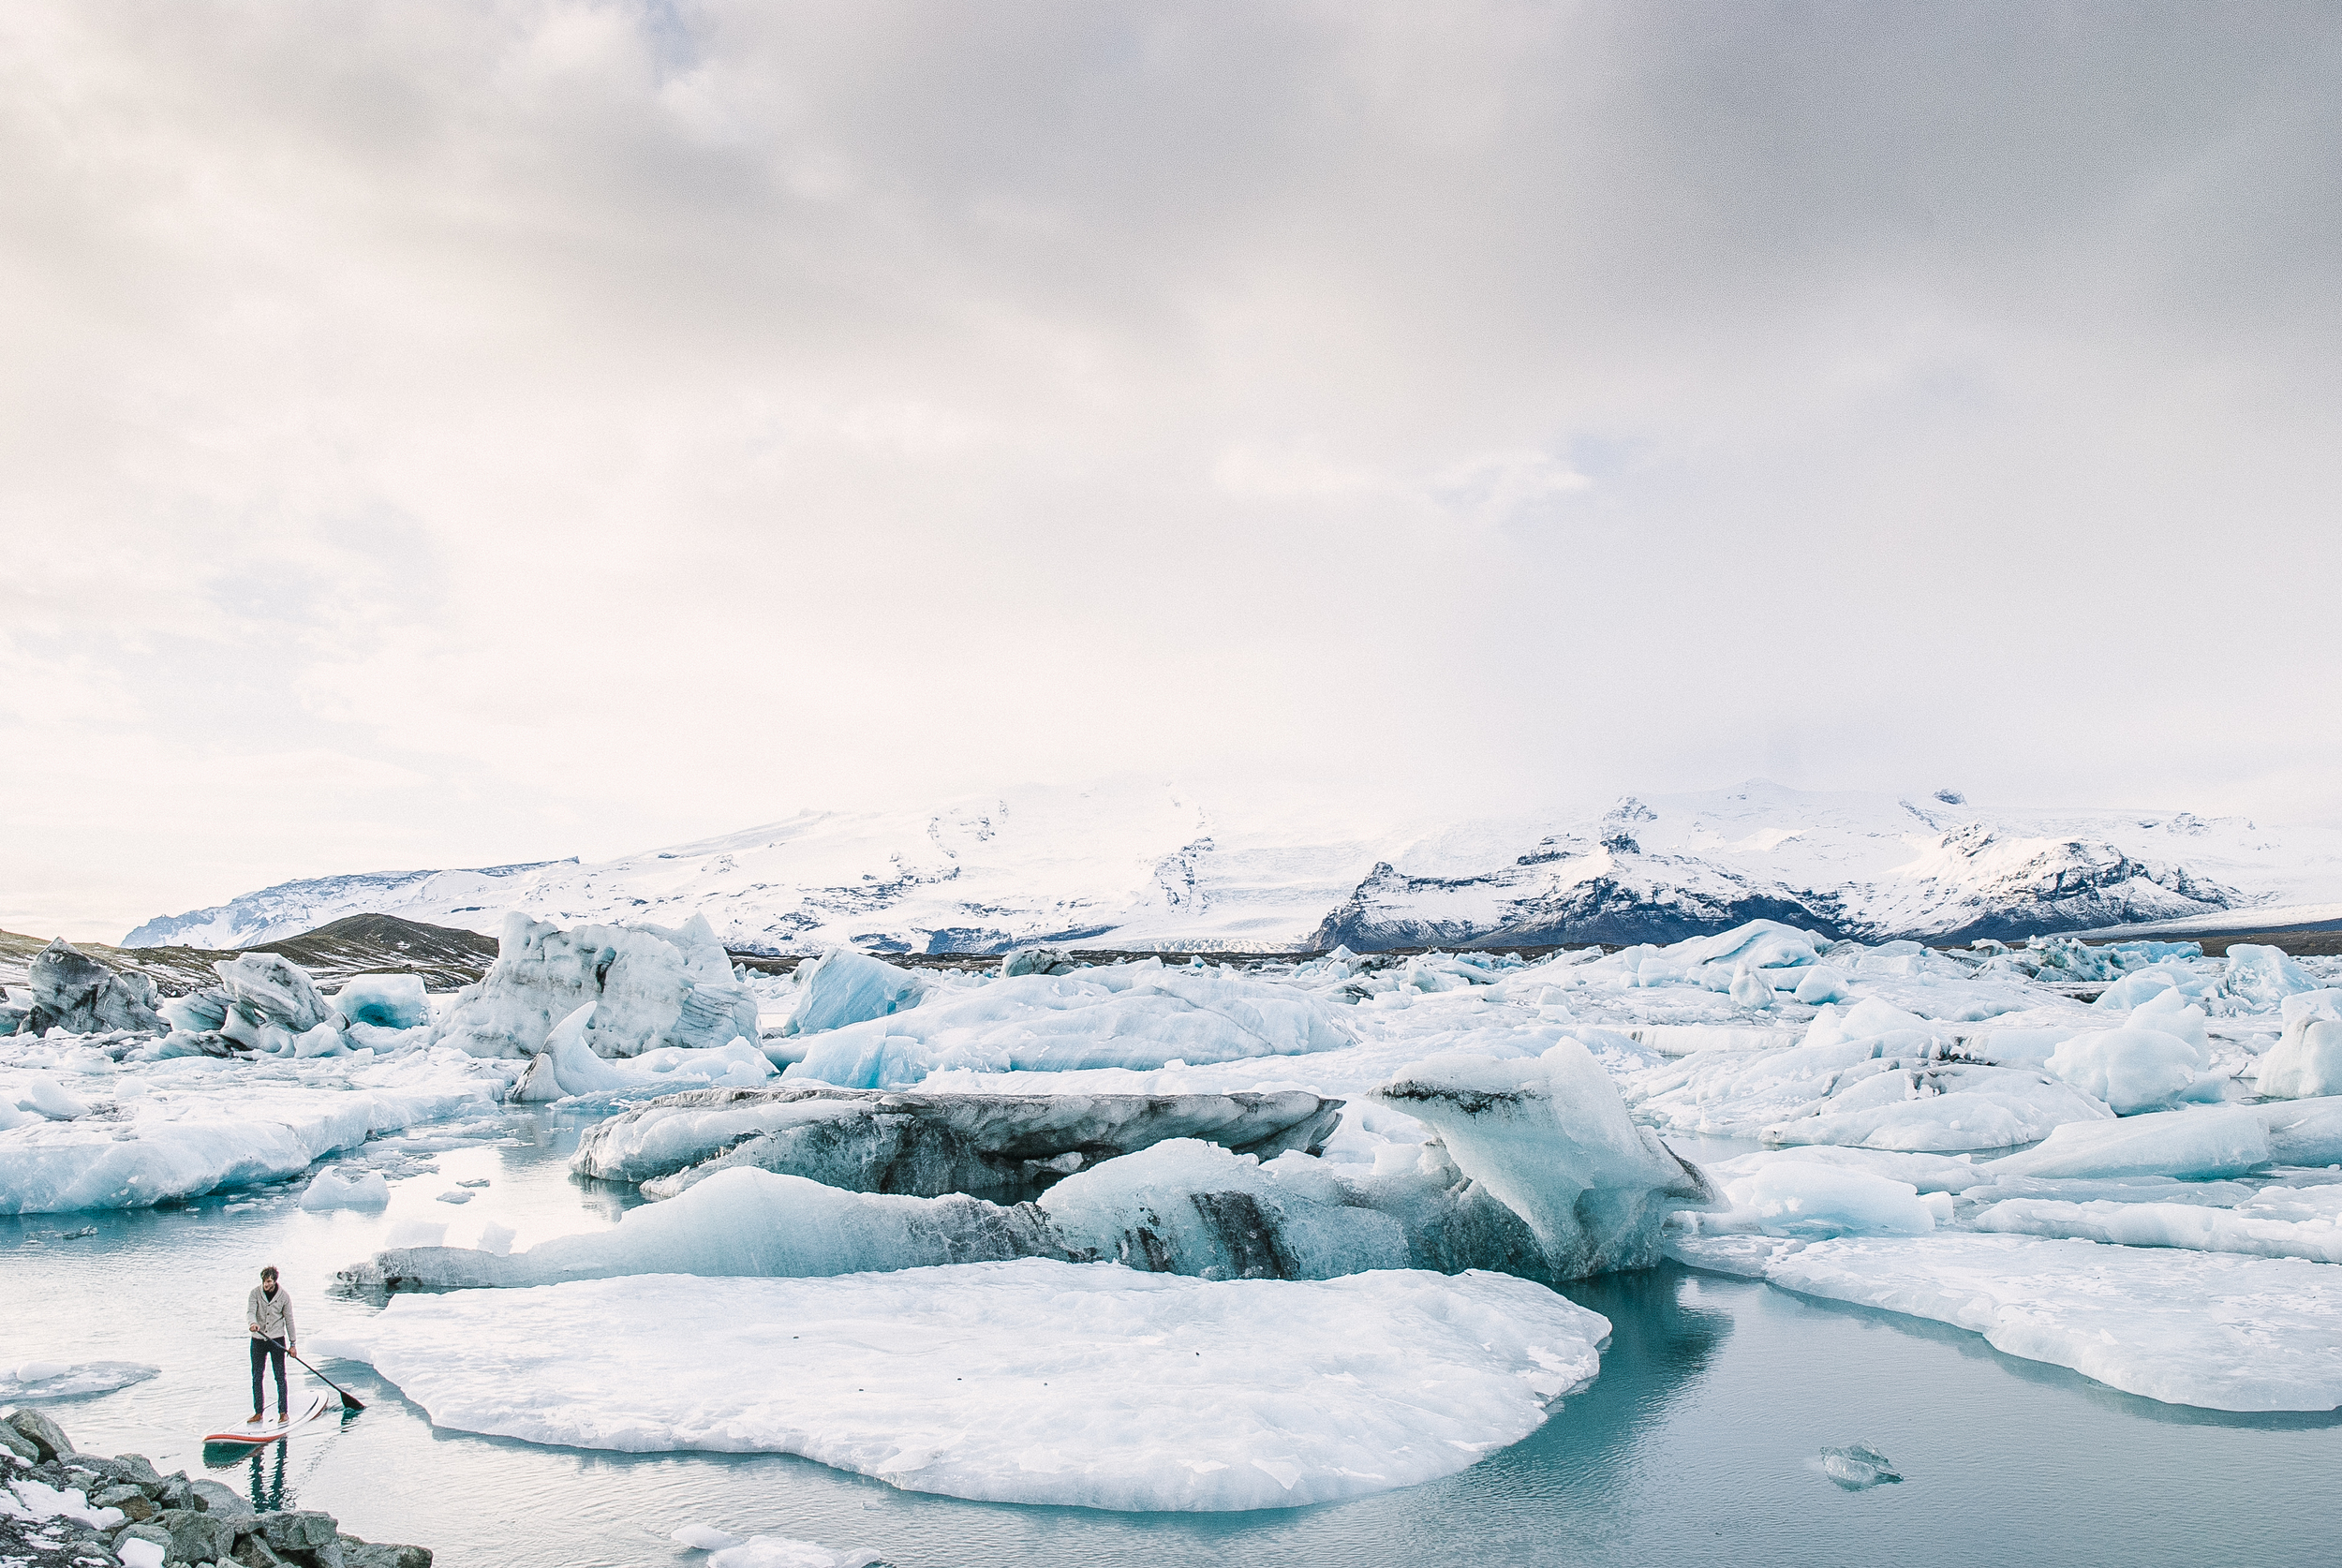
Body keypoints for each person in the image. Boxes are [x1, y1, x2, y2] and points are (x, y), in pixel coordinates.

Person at [245, 1265, 297, 1425]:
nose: (266, 1285)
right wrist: (253, 1323)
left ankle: (283, 1412)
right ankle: (258, 1412)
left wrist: (293, 1344)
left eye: (268, 1281)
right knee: (256, 1377)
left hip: (277, 1340)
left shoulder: (284, 1297)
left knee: (280, 1376)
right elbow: (250, 1312)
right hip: (258, 1340)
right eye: (264, 1281)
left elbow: (289, 1320)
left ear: (275, 1281)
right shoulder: (254, 1293)